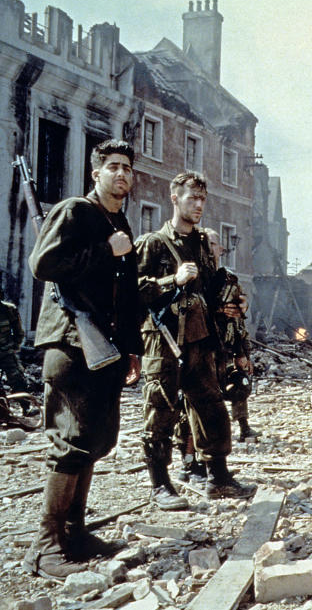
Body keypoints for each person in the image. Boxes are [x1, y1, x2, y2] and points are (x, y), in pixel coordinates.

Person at [23, 139, 143, 579]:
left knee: (95, 439)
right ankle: (45, 546)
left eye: (127, 168)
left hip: (104, 348)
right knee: (70, 440)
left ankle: (75, 531)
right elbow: (43, 264)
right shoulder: (75, 210)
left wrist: (131, 347)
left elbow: (125, 294)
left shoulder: (120, 222)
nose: (121, 174)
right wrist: (104, 251)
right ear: (96, 173)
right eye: (112, 166)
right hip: (70, 344)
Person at [137, 172, 255, 508]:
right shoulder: (153, 243)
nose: (199, 205)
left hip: (200, 339)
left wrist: (236, 301)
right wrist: (172, 280)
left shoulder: (203, 243)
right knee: (160, 408)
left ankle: (218, 477)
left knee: (211, 406)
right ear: (174, 198)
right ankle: (160, 485)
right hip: (163, 339)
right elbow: (134, 291)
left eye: (203, 199)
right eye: (192, 198)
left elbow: (213, 285)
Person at [205, 228, 257, 442]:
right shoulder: (194, 277)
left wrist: (242, 352)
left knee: (239, 383)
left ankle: (243, 427)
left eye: (212, 245)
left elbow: (238, 321)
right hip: (202, 347)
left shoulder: (229, 281)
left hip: (225, 347)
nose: (209, 249)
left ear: (221, 249)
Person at [0, 288, 29, 394]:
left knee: (18, 380)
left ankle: (26, 408)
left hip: (7, 353)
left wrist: (14, 347)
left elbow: (19, 332)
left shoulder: (9, 309)